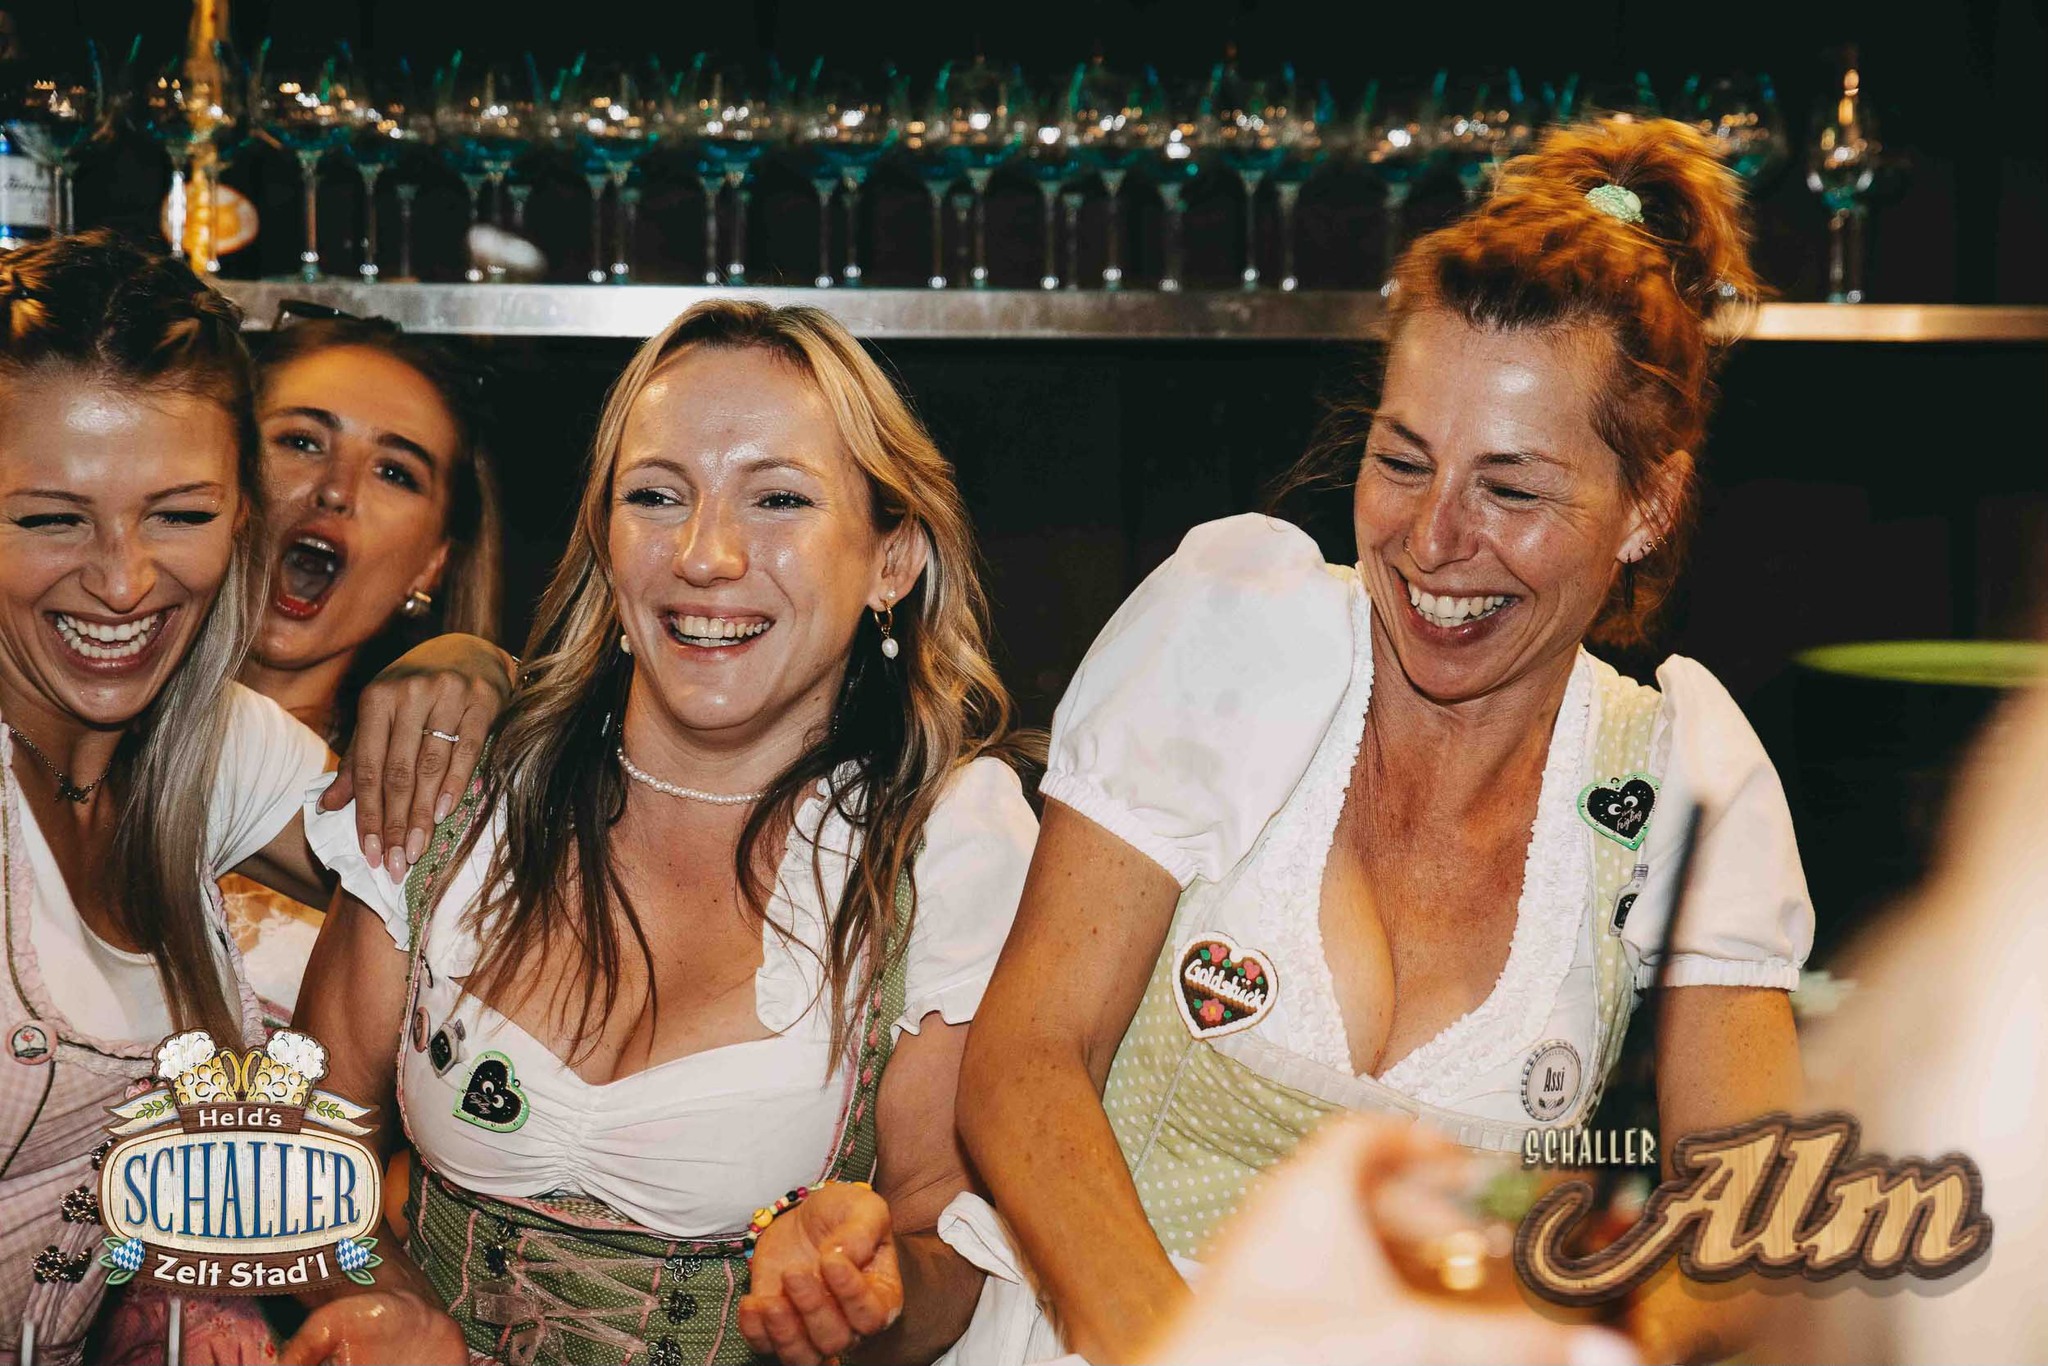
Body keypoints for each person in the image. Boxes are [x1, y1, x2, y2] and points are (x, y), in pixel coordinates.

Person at [953, 117, 1812, 1364]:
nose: (1431, 538)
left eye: (1508, 488)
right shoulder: (1234, 635)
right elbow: (1026, 1060)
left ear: (1647, 503)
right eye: (1401, 461)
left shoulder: (1681, 776)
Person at [289, 300, 1039, 1366]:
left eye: (778, 498)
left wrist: (863, 1291)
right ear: (605, 540)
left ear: (892, 559)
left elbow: (942, 1241)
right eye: (655, 495)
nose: (706, 554)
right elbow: (300, 1152)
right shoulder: (462, 782)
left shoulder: (938, 846)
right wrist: (396, 1307)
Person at [0, 232, 503, 1366]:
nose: (123, 579)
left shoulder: (207, 742)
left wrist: (485, 666)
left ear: (240, 516)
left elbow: (491, 879)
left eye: (178, 514)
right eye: (51, 518)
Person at [225, 313, 503, 1025]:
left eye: (394, 472)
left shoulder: (439, 811)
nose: (336, 489)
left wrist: (497, 673)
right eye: (300, 441)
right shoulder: (64, 729)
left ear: (432, 564)